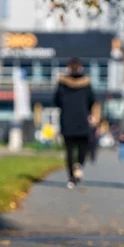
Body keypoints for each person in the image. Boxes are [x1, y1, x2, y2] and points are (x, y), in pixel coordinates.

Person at [54, 59, 96, 189]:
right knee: (83, 147)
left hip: (67, 121)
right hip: (82, 120)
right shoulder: (86, 84)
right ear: (81, 68)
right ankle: (79, 164)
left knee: (69, 150)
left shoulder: (62, 84)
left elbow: (56, 101)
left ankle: (71, 178)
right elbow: (92, 100)